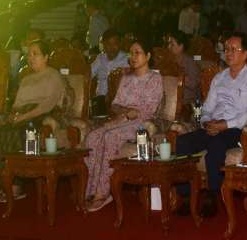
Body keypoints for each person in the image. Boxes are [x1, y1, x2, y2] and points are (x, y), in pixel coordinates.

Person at [174, 34, 247, 216]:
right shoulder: (219, 78)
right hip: (213, 126)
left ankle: (212, 195)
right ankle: (186, 196)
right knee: (181, 143)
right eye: (226, 49)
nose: (228, 53)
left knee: (216, 145)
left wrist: (226, 124)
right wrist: (207, 121)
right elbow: (207, 108)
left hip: (236, 129)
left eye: (234, 49)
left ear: (246, 54)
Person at [83, 38, 164, 211]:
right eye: (131, 53)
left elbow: (148, 109)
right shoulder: (126, 78)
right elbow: (115, 104)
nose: (133, 57)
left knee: (110, 136)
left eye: (137, 53)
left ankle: (103, 192)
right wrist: (125, 111)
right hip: (122, 119)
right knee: (92, 137)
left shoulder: (155, 79)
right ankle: (90, 189)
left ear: (148, 56)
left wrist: (130, 113)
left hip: (142, 123)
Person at [0, 40, 66, 202]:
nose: (31, 58)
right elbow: (17, 104)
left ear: (46, 57)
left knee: (17, 133)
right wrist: (13, 115)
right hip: (22, 115)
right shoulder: (26, 79)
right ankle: (2, 185)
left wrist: (24, 117)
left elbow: (48, 104)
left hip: (40, 115)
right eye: (29, 54)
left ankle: (15, 187)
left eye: (35, 54)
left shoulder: (53, 75)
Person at [90, 29, 129, 116]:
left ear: (120, 44)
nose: (112, 48)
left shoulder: (126, 59)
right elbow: (89, 74)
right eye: (108, 44)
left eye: (115, 44)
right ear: (104, 45)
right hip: (100, 100)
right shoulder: (100, 58)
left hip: (120, 102)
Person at [166, 30, 200, 106]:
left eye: (172, 44)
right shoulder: (169, 59)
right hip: (170, 96)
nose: (169, 47)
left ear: (181, 47)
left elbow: (194, 84)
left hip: (186, 100)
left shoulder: (190, 62)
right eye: (169, 44)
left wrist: (182, 78)